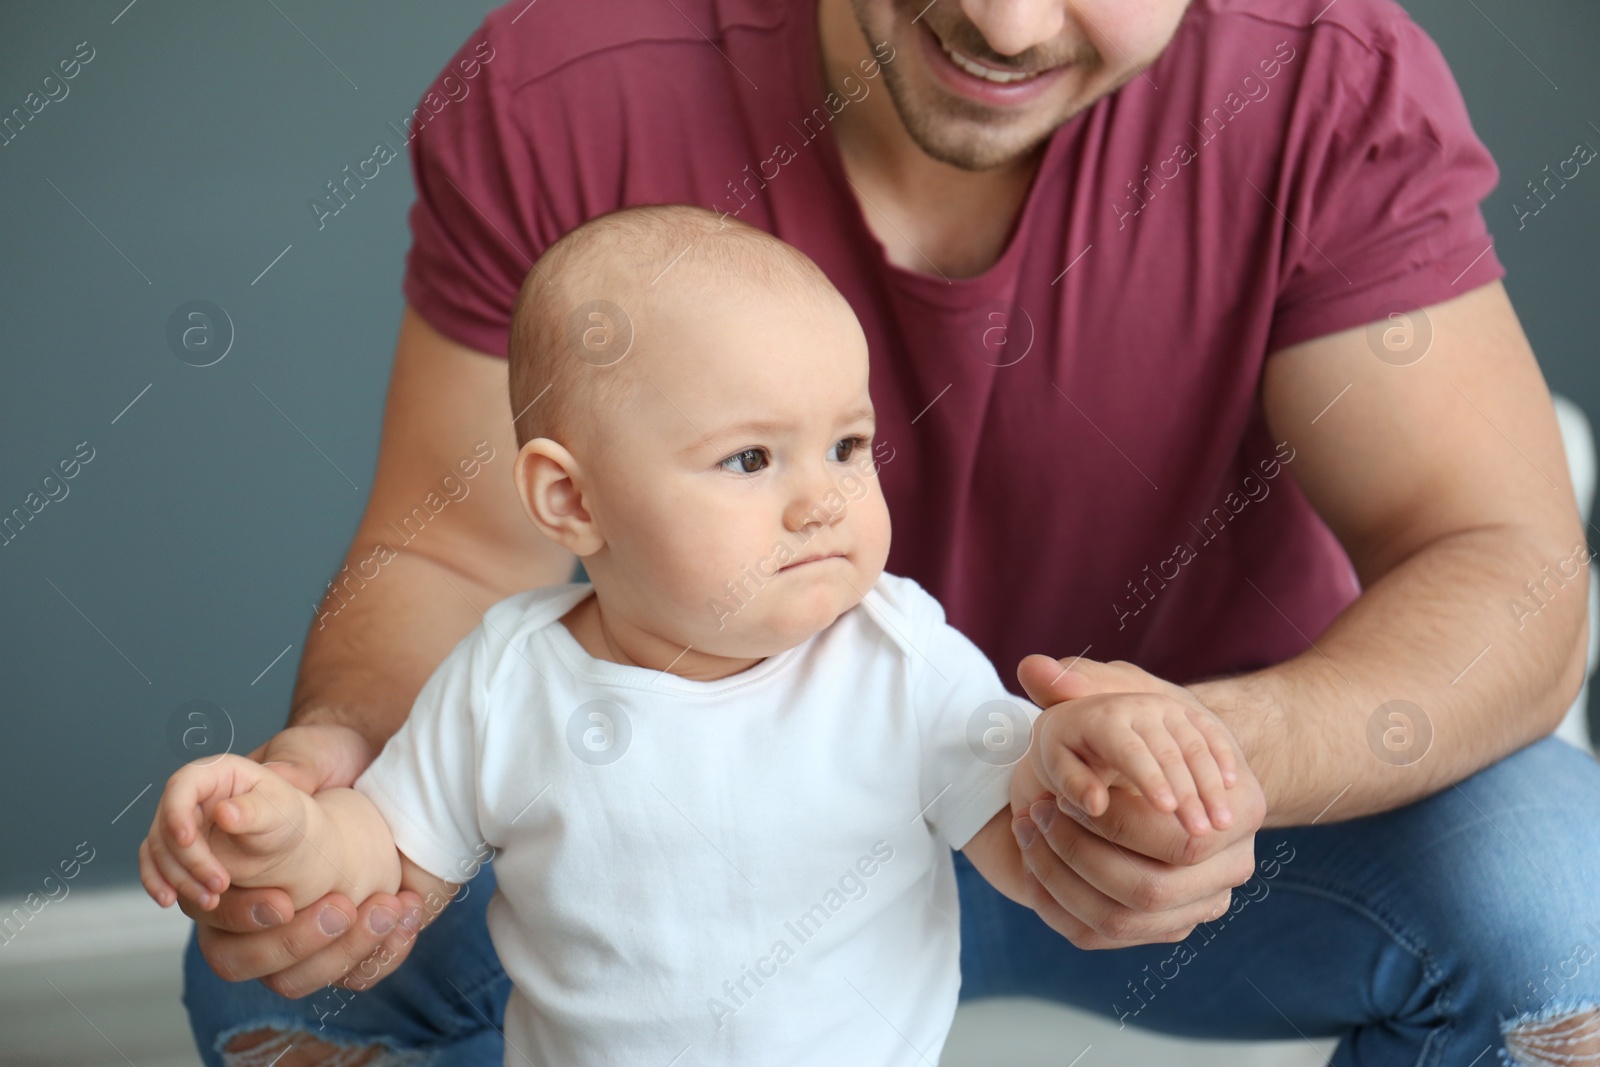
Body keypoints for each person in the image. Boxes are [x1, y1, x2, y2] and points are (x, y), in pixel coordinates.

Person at [170, 0, 1600, 1063]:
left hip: (1137, 816)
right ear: (573, 490)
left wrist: (1214, 760)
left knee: (1569, 906)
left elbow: (1509, 561)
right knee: (282, 979)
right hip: (654, 864)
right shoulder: (566, 87)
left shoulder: (1323, 85)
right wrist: (317, 789)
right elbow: (454, 552)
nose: (1008, 20)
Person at [146, 205, 1243, 1065]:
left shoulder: (892, 656)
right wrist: (285, 834)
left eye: (849, 444)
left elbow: (1022, 825)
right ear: (572, 503)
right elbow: (386, 867)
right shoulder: (509, 678)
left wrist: (1100, 758)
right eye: (751, 459)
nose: (821, 499)